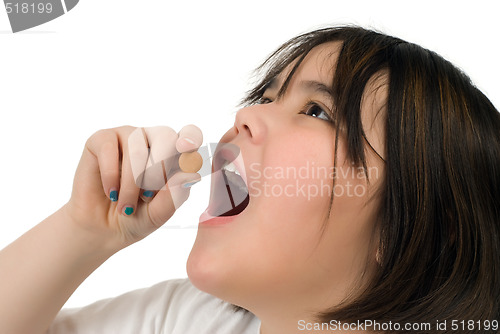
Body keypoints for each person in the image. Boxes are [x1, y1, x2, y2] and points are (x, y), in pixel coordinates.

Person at [0, 25, 499, 334]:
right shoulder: (189, 320)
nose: (245, 115)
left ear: (415, 229)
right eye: (266, 97)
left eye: (319, 111)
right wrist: (86, 229)